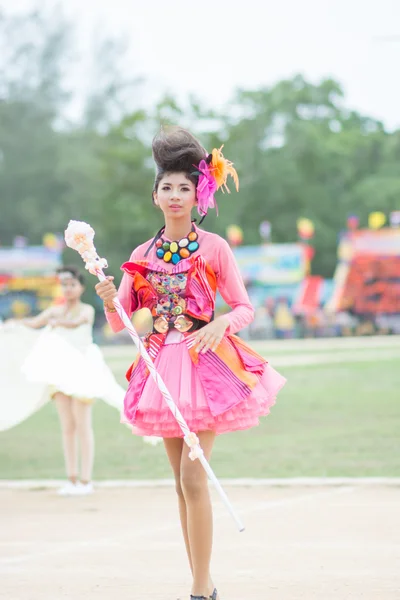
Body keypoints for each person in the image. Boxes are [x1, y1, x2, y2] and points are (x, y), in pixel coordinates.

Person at [95, 127, 286, 600]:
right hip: (161, 370)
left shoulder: (215, 248)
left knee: (193, 474)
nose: (175, 195)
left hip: (205, 367)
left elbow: (244, 307)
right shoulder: (141, 256)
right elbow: (122, 323)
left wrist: (221, 325)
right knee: (181, 483)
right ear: (155, 194)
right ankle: (202, 579)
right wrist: (106, 298)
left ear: (197, 193)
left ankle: (202, 587)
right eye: (167, 187)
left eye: (184, 187)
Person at [1, 265, 125, 496]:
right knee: (67, 427)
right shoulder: (54, 311)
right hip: (59, 375)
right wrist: (13, 326)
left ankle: (86, 480)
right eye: (64, 285)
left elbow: (79, 322)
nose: (68, 289)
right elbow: (32, 323)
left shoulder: (85, 309)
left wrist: (59, 323)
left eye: (72, 285)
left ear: (80, 287)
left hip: (82, 374)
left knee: (82, 425)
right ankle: (72, 478)